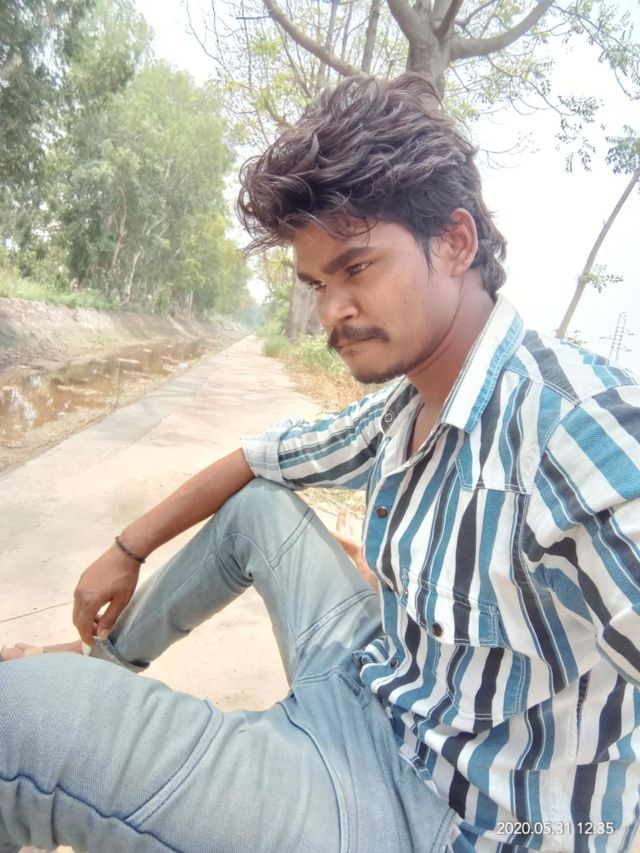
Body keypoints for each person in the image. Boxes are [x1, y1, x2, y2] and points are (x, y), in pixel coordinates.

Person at [1, 72, 640, 853]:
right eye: (317, 283)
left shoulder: (575, 430)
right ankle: (104, 656)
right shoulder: (406, 403)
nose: (332, 310)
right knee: (258, 504)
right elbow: (256, 457)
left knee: (20, 723)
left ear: (455, 242)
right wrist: (126, 547)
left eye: (358, 267)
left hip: (435, 816)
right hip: (380, 688)